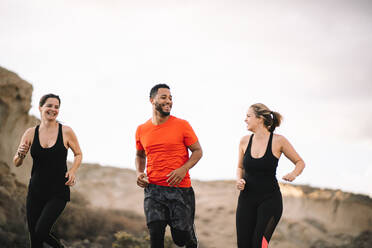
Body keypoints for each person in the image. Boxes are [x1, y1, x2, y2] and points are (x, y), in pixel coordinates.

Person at [135, 84, 203, 248]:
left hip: (180, 189)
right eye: (164, 97)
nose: (169, 101)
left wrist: (183, 169)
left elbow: (198, 151)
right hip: (153, 190)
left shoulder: (182, 125)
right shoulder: (142, 129)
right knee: (155, 234)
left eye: (171, 98)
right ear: (152, 100)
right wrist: (139, 172)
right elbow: (139, 154)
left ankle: (190, 237)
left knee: (181, 239)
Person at [13, 93, 82, 248]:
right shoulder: (30, 133)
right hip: (35, 191)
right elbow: (16, 162)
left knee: (41, 231)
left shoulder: (66, 131)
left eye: (56, 107)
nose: (53, 109)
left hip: (58, 191)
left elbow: (78, 153)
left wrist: (72, 171)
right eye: (49, 105)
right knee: (35, 241)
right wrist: (20, 154)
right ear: (40, 107)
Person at [235, 103, 305, 248]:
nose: (245, 119)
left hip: (270, 201)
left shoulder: (279, 140)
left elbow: (300, 162)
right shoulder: (244, 141)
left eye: (248, 116)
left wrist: (293, 174)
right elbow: (240, 166)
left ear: (260, 118)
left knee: (259, 244)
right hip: (246, 200)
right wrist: (238, 180)